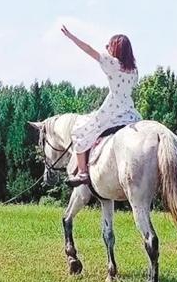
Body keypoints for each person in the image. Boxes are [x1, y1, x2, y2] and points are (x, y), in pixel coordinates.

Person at [60, 27, 141, 186]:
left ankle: (82, 173)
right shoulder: (134, 70)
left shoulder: (112, 63)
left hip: (112, 110)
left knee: (79, 133)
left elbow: (89, 49)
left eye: (109, 46)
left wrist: (72, 37)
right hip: (131, 113)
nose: (107, 48)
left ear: (115, 48)